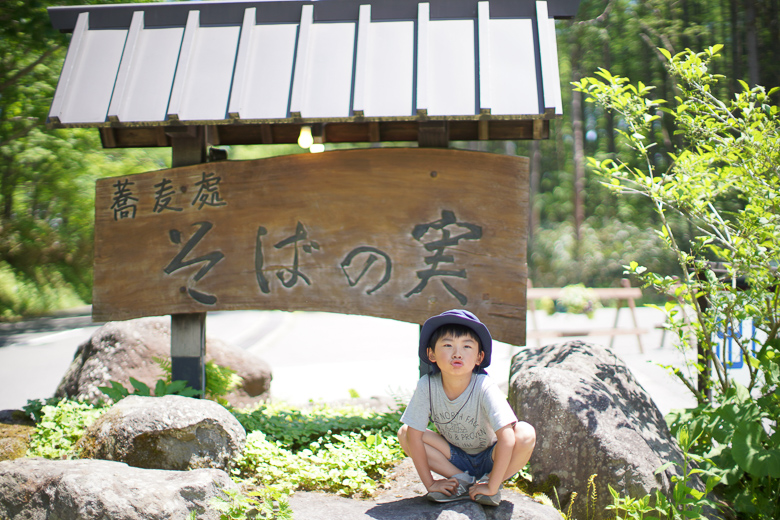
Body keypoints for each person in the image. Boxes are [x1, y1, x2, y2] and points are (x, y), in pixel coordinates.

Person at [397, 309, 536, 506]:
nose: (457, 353)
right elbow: (415, 436)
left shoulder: (483, 385)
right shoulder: (427, 385)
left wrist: (492, 486)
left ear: (479, 357)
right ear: (431, 354)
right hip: (454, 458)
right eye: (447, 345)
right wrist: (430, 484)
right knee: (406, 432)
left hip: (491, 456)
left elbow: (506, 437)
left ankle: (489, 483)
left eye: (467, 346)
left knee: (525, 433)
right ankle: (463, 482)